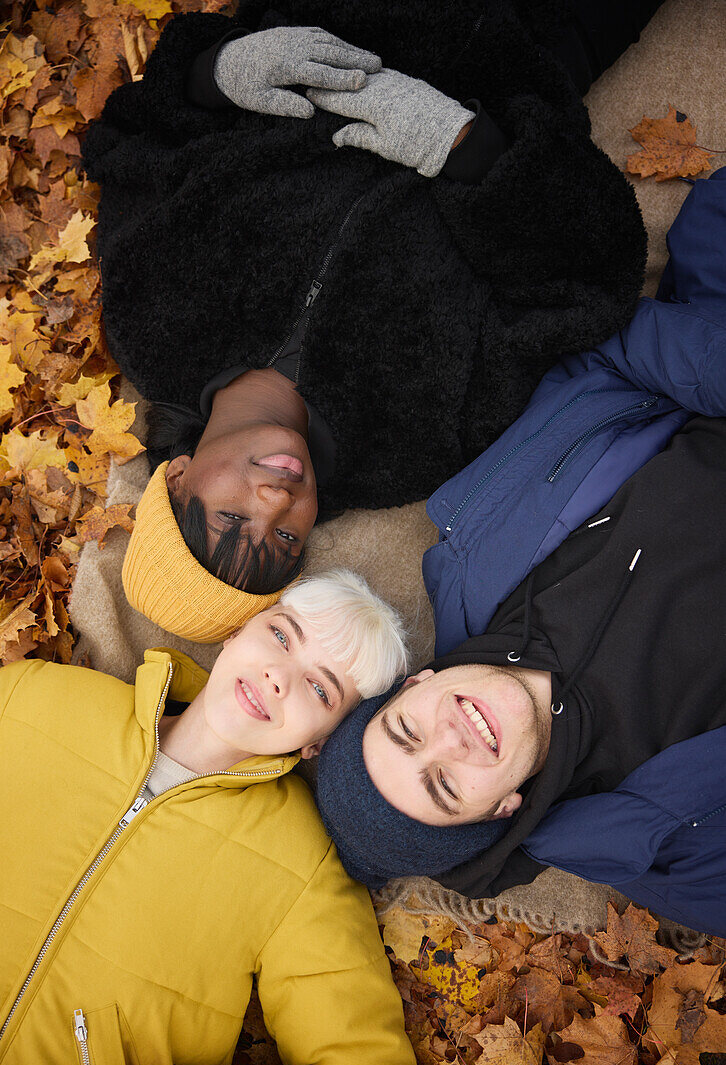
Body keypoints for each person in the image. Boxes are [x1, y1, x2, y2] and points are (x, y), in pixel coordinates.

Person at [83, 1, 661, 636]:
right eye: (281, 541)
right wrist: (468, 149)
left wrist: (216, 73)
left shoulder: (149, 318)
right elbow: (583, 279)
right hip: (528, 52)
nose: (275, 505)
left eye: (229, 519)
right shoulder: (415, 447)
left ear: (177, 475)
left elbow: (128, 142)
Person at [315, 168, 726, 938]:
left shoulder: (475, 542)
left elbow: (595, 352)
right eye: (443, 786)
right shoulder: (674, 851)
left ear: (416, 683)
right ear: (500, 811)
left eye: (408, 729)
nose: (451, 737)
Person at [0, 571, 421, 1065]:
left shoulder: (306, 868)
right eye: (282, 637)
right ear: (235, 632)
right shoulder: (34, 694)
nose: (278, 677)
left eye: (319, 687)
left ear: (322, 743)